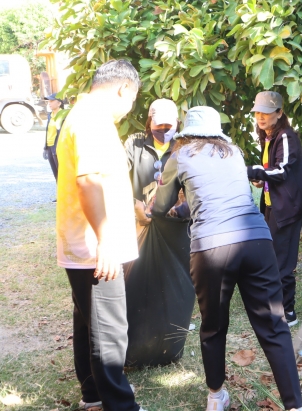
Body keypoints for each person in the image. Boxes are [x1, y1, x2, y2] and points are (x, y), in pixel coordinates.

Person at [152, 106, 302, 411]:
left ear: (187, 133)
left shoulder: (179, 156)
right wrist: (185, 209)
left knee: (214, 326)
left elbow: (159, 206)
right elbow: (223, 196)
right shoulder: (232, 153)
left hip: (212, 248)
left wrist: (162, 207)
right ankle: (295, 406)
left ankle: (216, 397)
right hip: (257, 241)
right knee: (275, 325)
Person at [55, 59, 146, 411]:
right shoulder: (92, 119)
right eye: (133, 99)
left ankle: (93, 395)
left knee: (90, 323)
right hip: (96, 246)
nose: (130, 108)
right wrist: (106, 240)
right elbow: (88, 182)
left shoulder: (84, 114)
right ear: (124, 88)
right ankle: (121, 406)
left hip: (87, 244)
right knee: (109, 331)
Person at [123, 98, 194, 367]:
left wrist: (181, 207)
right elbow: (117, 178)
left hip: (175, 229)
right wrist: (134, 205)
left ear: (178, 123)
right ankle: (137, 345)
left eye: (169, 125)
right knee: (138, 282)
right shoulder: (135, 144)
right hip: (141, 225)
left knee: (173, 286)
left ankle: (168, 346)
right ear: (149, 122)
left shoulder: (184, 146)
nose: (164, 130)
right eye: (158, 124)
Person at [246, 91, 302, 327]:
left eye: (266, 112)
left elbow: (282, 170)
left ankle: (287, 312)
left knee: (282, 260)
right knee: (272, 256)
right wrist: (261, 180)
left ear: (280, 113)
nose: (261, 117)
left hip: (288, 208)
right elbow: (272, 171)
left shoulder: (286, 137)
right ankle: (274, 305)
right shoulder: (268, 136)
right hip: (273, 205)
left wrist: (250, 171)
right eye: (257, 113)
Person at [43, 92, 69, 180]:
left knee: (62, 173)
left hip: (59, 148)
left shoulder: (64, 115)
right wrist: (45, 148)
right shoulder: (50, 115)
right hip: (50, 147)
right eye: (48, 101)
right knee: (56, 174)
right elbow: (48, 132)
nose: (49, 103)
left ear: (59, 103)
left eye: (52, 101)